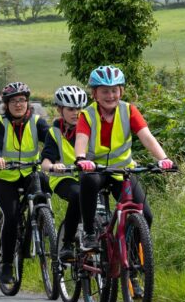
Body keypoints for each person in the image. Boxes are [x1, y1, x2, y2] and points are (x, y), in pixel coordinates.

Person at [73, 66, 174, 251]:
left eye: (114, 90)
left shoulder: (129, 111)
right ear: (94, 93)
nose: (110, 95)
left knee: (146, 215)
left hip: (123, 171)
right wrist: (81, 158)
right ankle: (88, 232)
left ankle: (131, 256)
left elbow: (147, 137)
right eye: (104, 91)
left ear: (121, 91)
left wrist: (164, 159)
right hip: (96, 169)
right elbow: (81, 140)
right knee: (88, 181)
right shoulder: (87, 114)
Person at [0, 82, 50, 285]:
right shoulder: (1, 122)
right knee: (12, 216)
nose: (18, 104)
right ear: (6, 105)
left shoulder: (37, 122)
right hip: (5, 176)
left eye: (22, 100)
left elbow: (52, 142)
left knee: (43, 189)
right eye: (13, 101)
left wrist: (53, 159)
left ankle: (43, 220)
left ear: (27, 102)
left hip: (30, 172)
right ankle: (6, 264)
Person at [40, 85, 88, 260]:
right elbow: (45, 162)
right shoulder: (54, 133)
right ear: (60, 109)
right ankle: (67, 244)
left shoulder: (91, 129)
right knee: (77, 194)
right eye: (71, 109)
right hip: (63, 178)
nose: (76, 113)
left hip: (87, 177)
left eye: (79, 108)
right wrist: (53, 166)